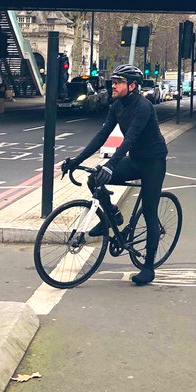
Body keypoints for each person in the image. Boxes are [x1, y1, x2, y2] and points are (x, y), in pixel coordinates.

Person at [61, 64, 168, 286]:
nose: (113, 85)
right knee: (94, 179)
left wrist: (110, 164)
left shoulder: (144, 106)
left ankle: (148, 266)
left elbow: (129, 139)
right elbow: (102, 135)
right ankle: (112, 216)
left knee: (149, 212)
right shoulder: (116, 106)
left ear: (132, 86)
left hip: (153, 161)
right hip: (136, 160)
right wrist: (76, 161)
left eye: (118, 82)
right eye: (113, 81)